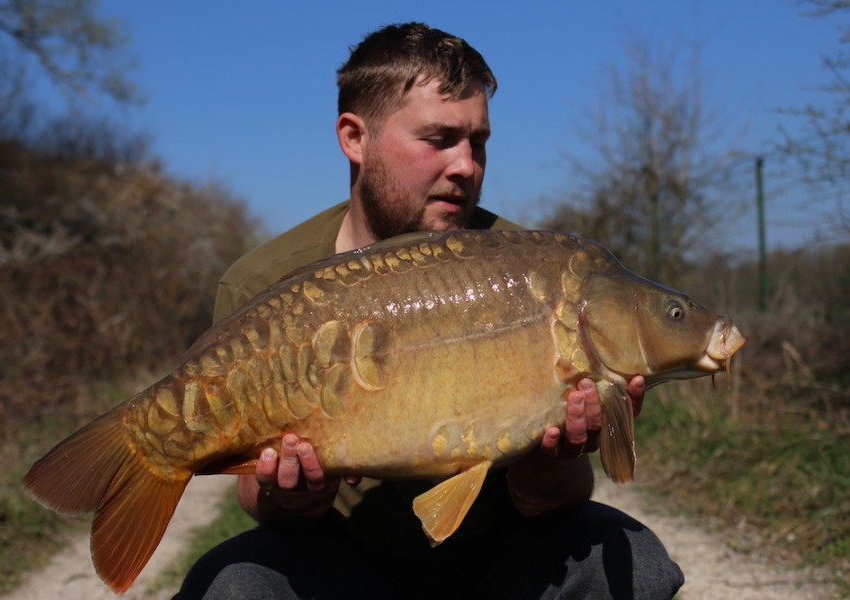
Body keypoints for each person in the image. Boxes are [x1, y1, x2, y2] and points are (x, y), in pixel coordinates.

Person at [175, 22, 684, 599]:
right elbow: (258, 501)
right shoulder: (263, 286)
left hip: (496, 555)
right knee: (233, 584)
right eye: (439, 139)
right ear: (353, 138)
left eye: (479, 142)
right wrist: (293, 497)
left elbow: (555, 500)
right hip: (343, 558)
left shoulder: (537, 273)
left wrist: (547, 469)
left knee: (632, 560)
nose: (467, 165)